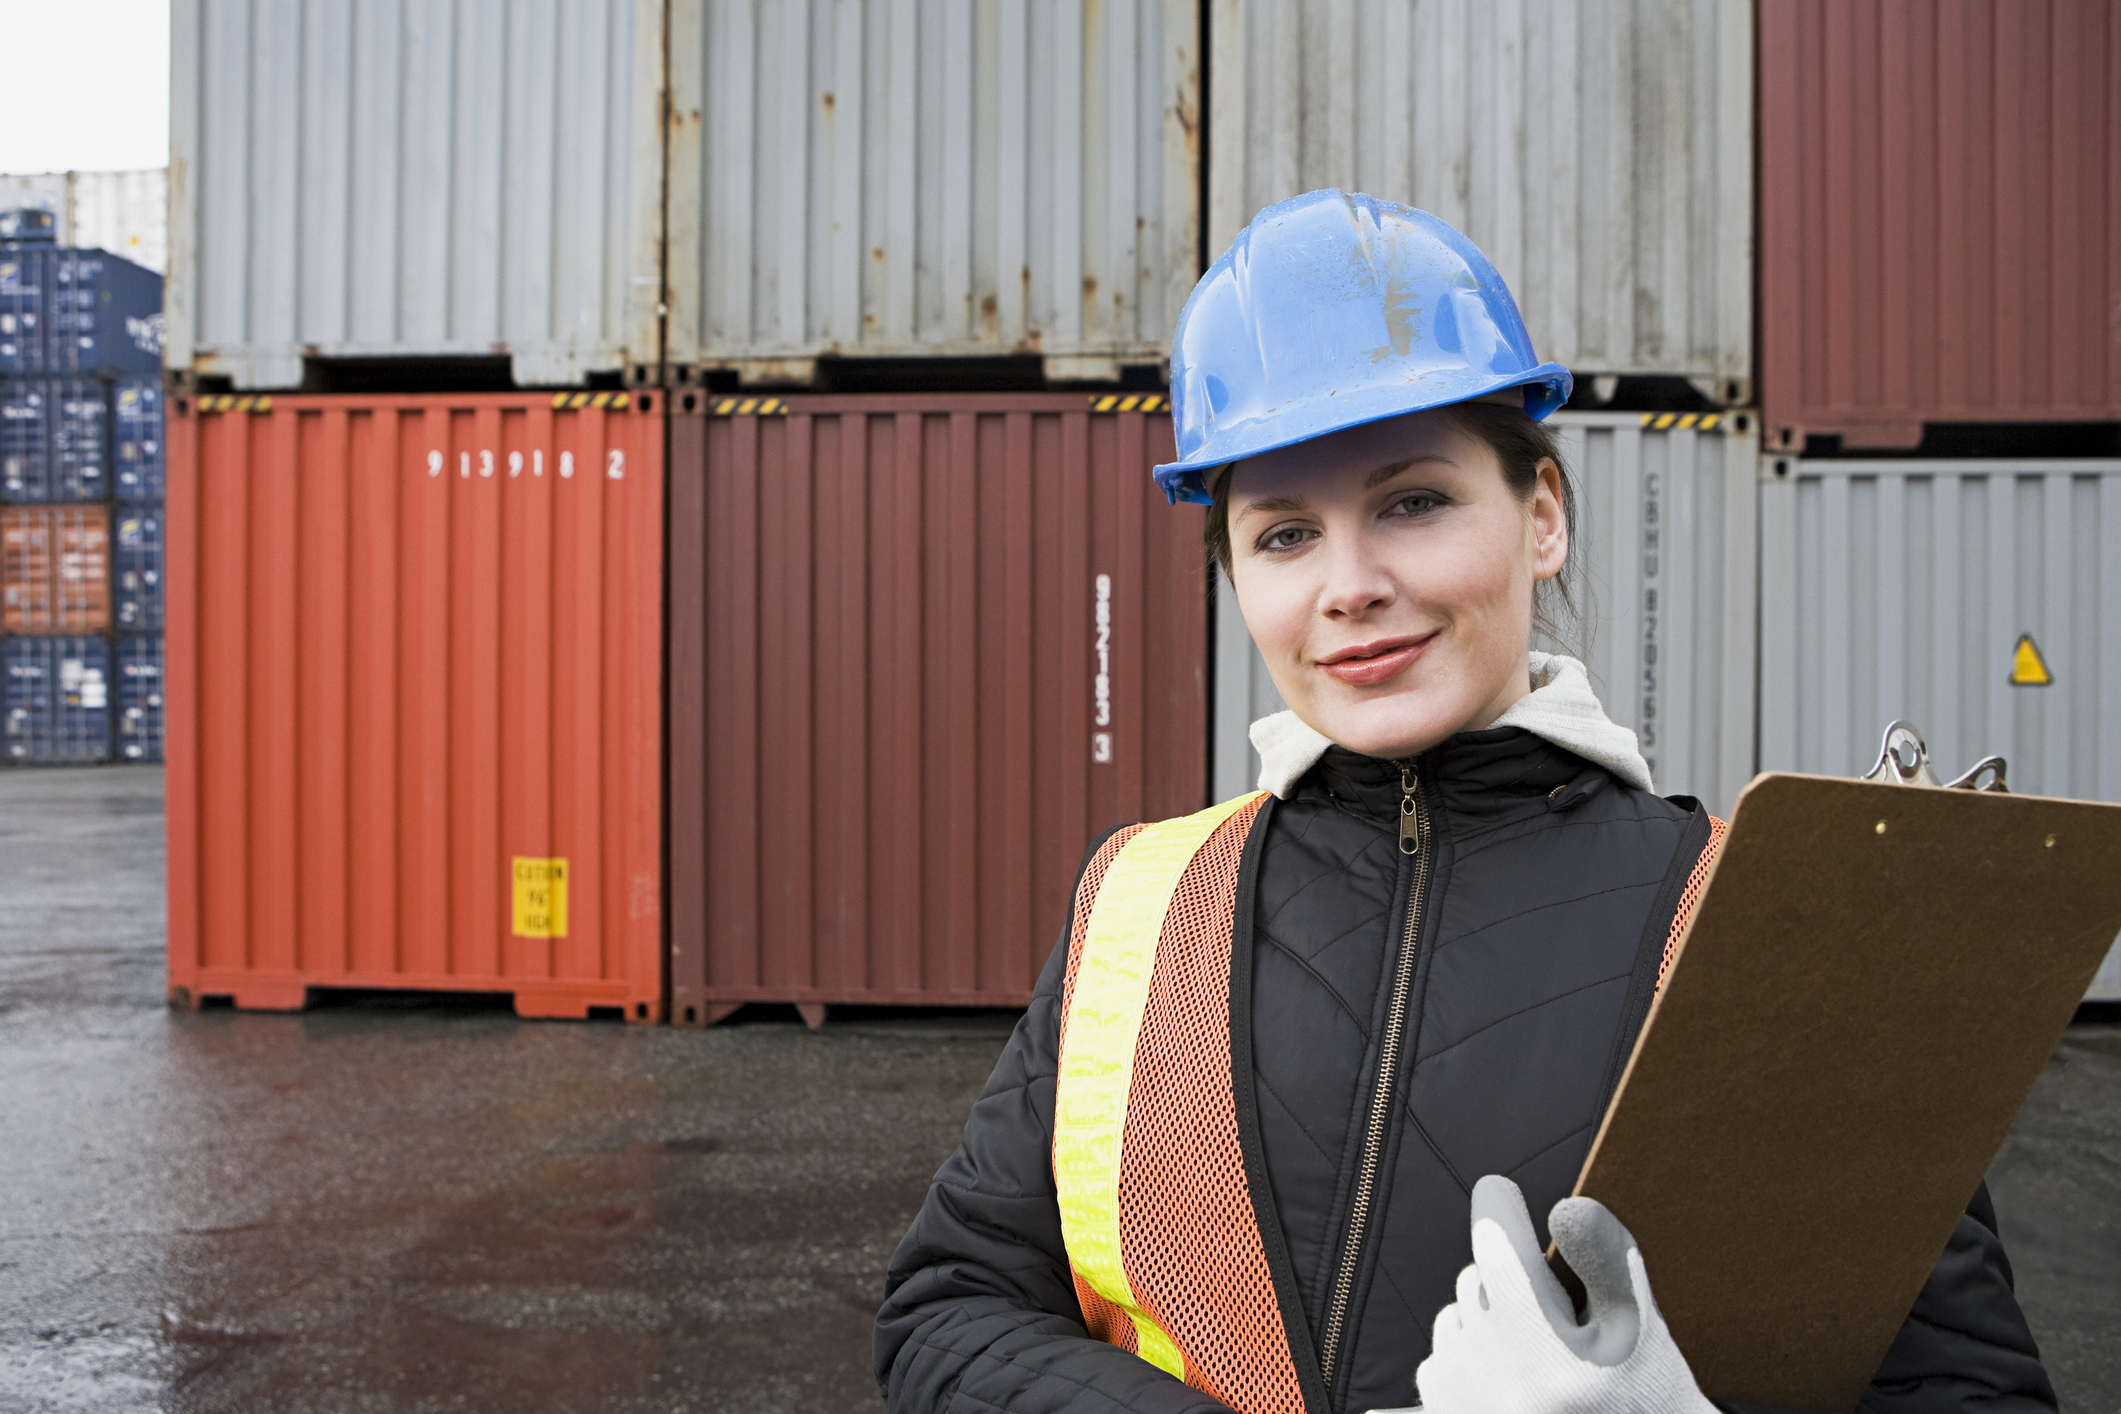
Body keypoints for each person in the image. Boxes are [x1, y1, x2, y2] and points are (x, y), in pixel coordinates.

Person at [873, 190, 2054, 1414]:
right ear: (1233, 573)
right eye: (1284, 535)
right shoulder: (1139, 907)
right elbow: (950, 1308)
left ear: (1540, 516)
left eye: (1413, 502)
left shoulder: (1778, 930)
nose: (1350, 584)